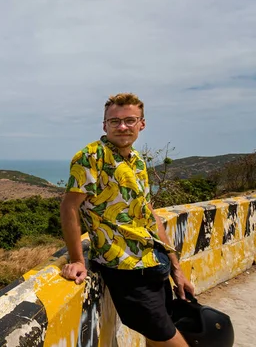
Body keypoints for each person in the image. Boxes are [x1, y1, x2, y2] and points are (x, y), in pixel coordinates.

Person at [60, 93, 195, 346]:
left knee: (156, 338)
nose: (122, 126)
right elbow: (69, 208)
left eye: (130, 120)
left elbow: (150, 215)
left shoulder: (138, 161)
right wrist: (78, 259)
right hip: (126, 269)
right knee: (168, 339)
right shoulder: (91, 157)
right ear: (105, 125)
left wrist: (177, 270)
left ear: (141, 124)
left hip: (155, 262)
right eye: (115, 121)